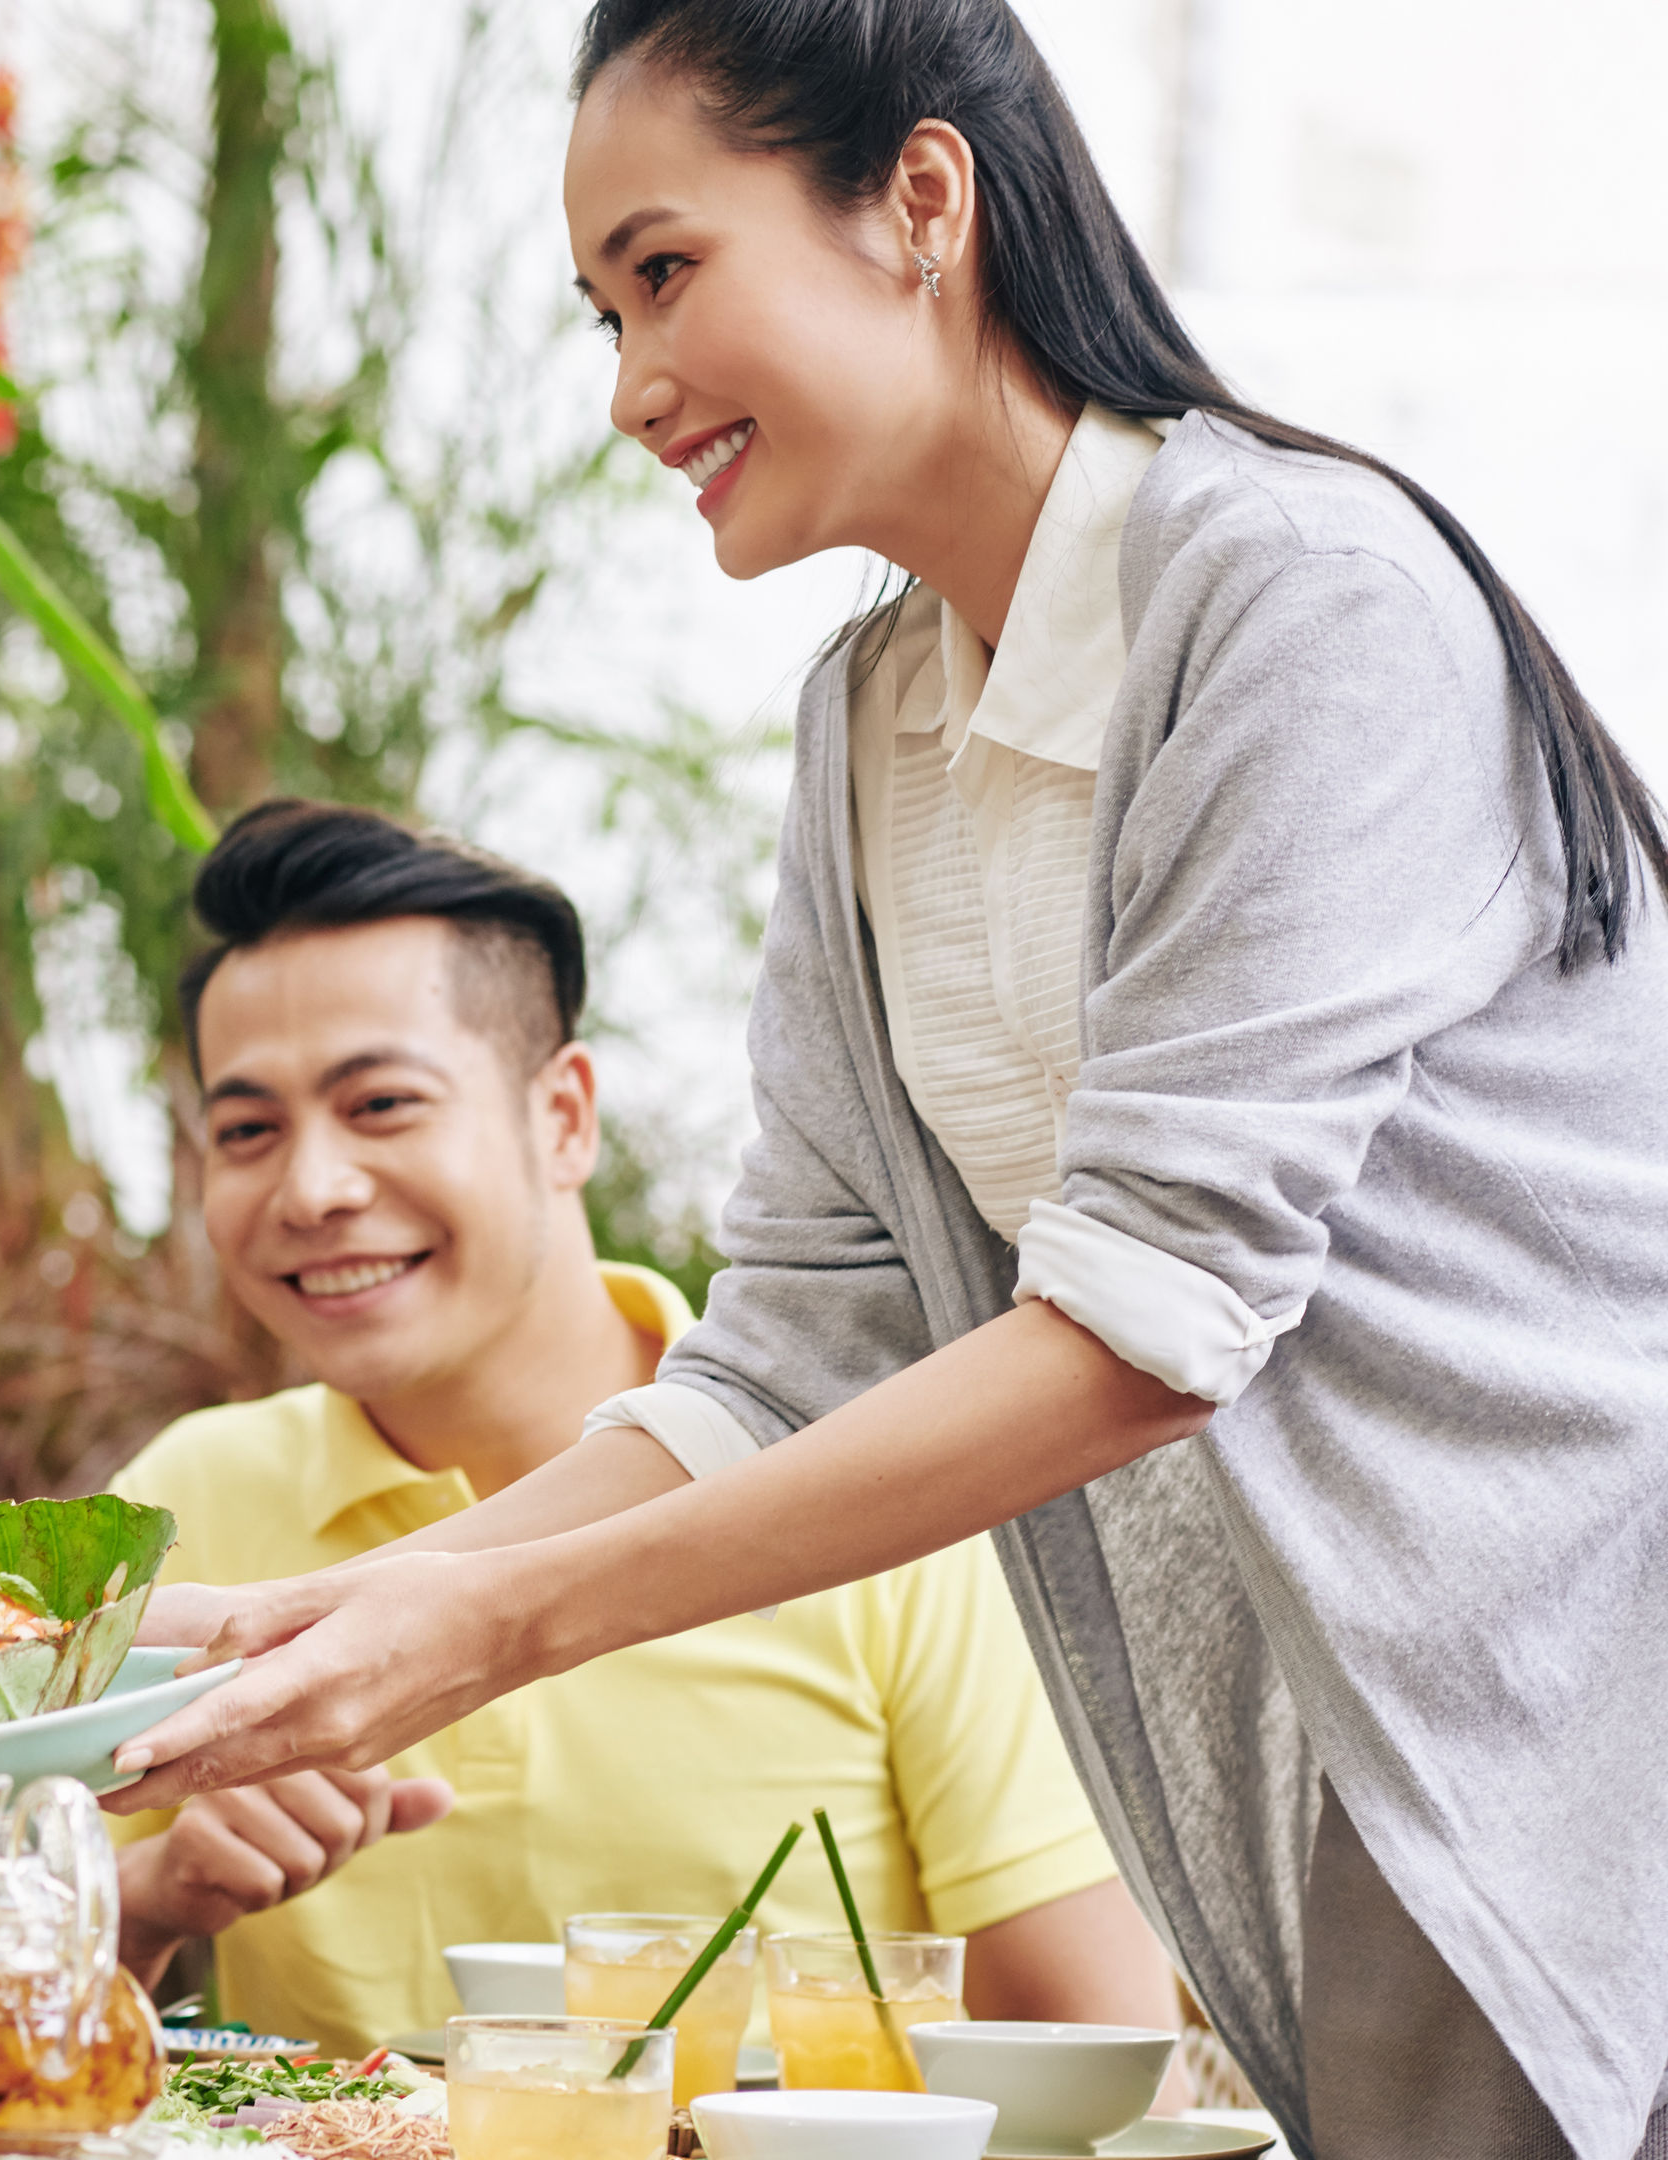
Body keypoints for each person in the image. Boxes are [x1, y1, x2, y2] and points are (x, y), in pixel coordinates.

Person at [106, 6, 1668, 2156]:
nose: (633, 386)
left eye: (664, 273)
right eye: (600, 312)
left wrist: (481, 1625)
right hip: (1363, 1780)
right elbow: (797, 1349)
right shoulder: (878, 724)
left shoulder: (1302, 600)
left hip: (1588, 1732)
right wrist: (312, 1617)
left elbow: (1148, 1326)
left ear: (920, 200)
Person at [106, 801, 1174, 2060]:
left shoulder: (875, 1486)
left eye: (382, 1104)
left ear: (563, 1116)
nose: (312, 1189)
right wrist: (147, 1904)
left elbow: (1102, 2063)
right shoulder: (185, 1509)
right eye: (247, 1131)